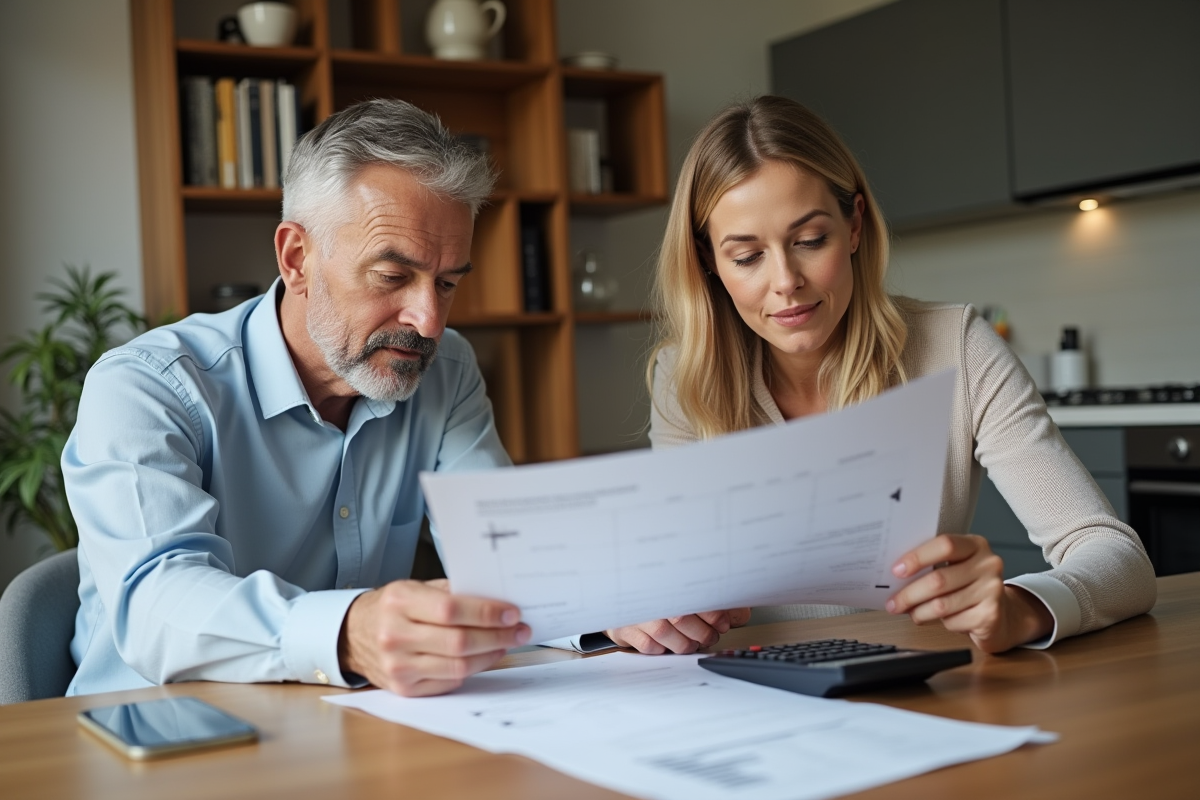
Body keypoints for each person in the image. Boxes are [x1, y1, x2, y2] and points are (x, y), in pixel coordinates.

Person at [603, 95, 1156, 655]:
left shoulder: (956, 349)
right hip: (749, 694)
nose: (786, 280)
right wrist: (633, 614)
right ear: (710, 263)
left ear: (856, 225)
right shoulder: (685, 378)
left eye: (810, 240)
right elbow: (663, 580)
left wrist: (1021, 608)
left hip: (912, 684)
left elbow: (1115, 556)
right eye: (747, 257)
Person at [63, 99, 533, 698]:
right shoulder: (146, 387)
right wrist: (346, 633)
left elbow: (505, 553)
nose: (429, 321)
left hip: (345, 727)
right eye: (392, 277)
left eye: (446, 283)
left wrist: (610, 606)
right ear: (296, 258)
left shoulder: (448, 371)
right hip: (150, 737)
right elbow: (158, 604)